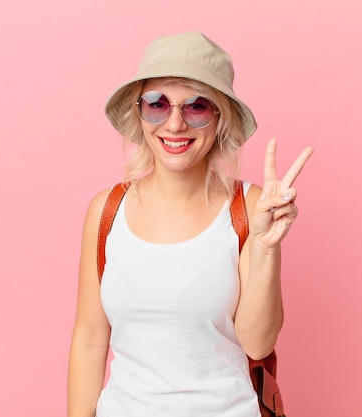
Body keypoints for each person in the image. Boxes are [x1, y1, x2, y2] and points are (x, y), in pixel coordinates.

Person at [67, 31, 313, 417]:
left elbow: (258, 343)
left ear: (220, 119)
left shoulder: (248, 207)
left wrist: (266, 247)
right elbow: (89, 340)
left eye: (197, 106)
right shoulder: (106, 211)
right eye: (157, 104)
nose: (175, 123)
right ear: (139, 112)